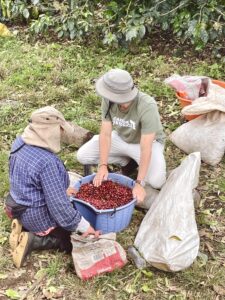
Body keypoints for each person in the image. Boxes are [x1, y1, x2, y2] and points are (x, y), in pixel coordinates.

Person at [5, 106, 99, 268]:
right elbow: (60, 209)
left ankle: (21, 224)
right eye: (60, 130)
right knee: (69, 238)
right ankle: (34, 240)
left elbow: (30, 179)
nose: (62, 134)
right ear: (52, 131)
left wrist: (61, 190)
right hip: (35, 215)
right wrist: (85, 227)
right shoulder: (47, 162)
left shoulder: (20, 142)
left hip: (16, 205)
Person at [77, 69, 166, 203]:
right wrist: (102, 165)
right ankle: (127, 161)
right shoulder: (108, 100)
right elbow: (106, 134)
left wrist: (139, 183)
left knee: (156, 181)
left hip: (147, 144)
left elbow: (146, 147)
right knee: (83, 155)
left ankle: (135, 163)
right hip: (121, 138)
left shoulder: (147, 105)